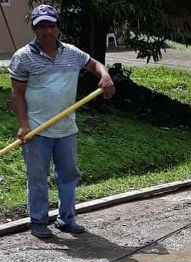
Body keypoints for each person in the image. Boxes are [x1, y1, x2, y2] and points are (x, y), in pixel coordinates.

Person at [8, 4, 115, 239]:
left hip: (66, 129)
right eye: (41, 27)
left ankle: (66, 219)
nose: (47, 31)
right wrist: (24, 125)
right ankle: (38, 221)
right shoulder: (23, 57)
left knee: (68, 175)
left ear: (58, 28)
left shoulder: (71, 53)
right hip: (37, 130)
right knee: (37, 177)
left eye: (51, 25)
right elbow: (16, 94)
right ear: (35, 29)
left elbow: (94, 64)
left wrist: (105, 76)